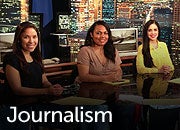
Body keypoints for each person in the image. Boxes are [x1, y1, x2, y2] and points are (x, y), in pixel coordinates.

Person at [3, 21, 63, 96]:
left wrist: (53, 88)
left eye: (34, 37)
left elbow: (44, 81)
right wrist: (46, 91)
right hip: (20, 104)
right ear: (19, 39)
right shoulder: (11, 59)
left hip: (38, 102)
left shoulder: (36, 57)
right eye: (26, 37)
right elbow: (18, 90)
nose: (31, 41)